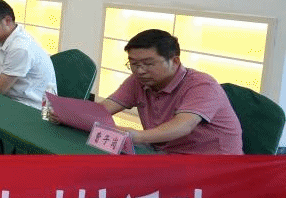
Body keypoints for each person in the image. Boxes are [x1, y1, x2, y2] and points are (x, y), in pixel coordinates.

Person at [97, 29, 242, 154]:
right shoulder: (138, 81)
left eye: (148, 63)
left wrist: (136, 136)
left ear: (175, 62)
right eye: (134, 64)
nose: (140, 71)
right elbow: (102, 110)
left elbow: (183, 126)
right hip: (166, 156)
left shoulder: (203, 85)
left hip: (213, 164)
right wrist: (88, 116)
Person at [0, 0, 56, 109]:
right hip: (10, 100)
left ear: (7, 21)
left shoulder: (20, 47)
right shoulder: (0, 39)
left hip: (32, 108)